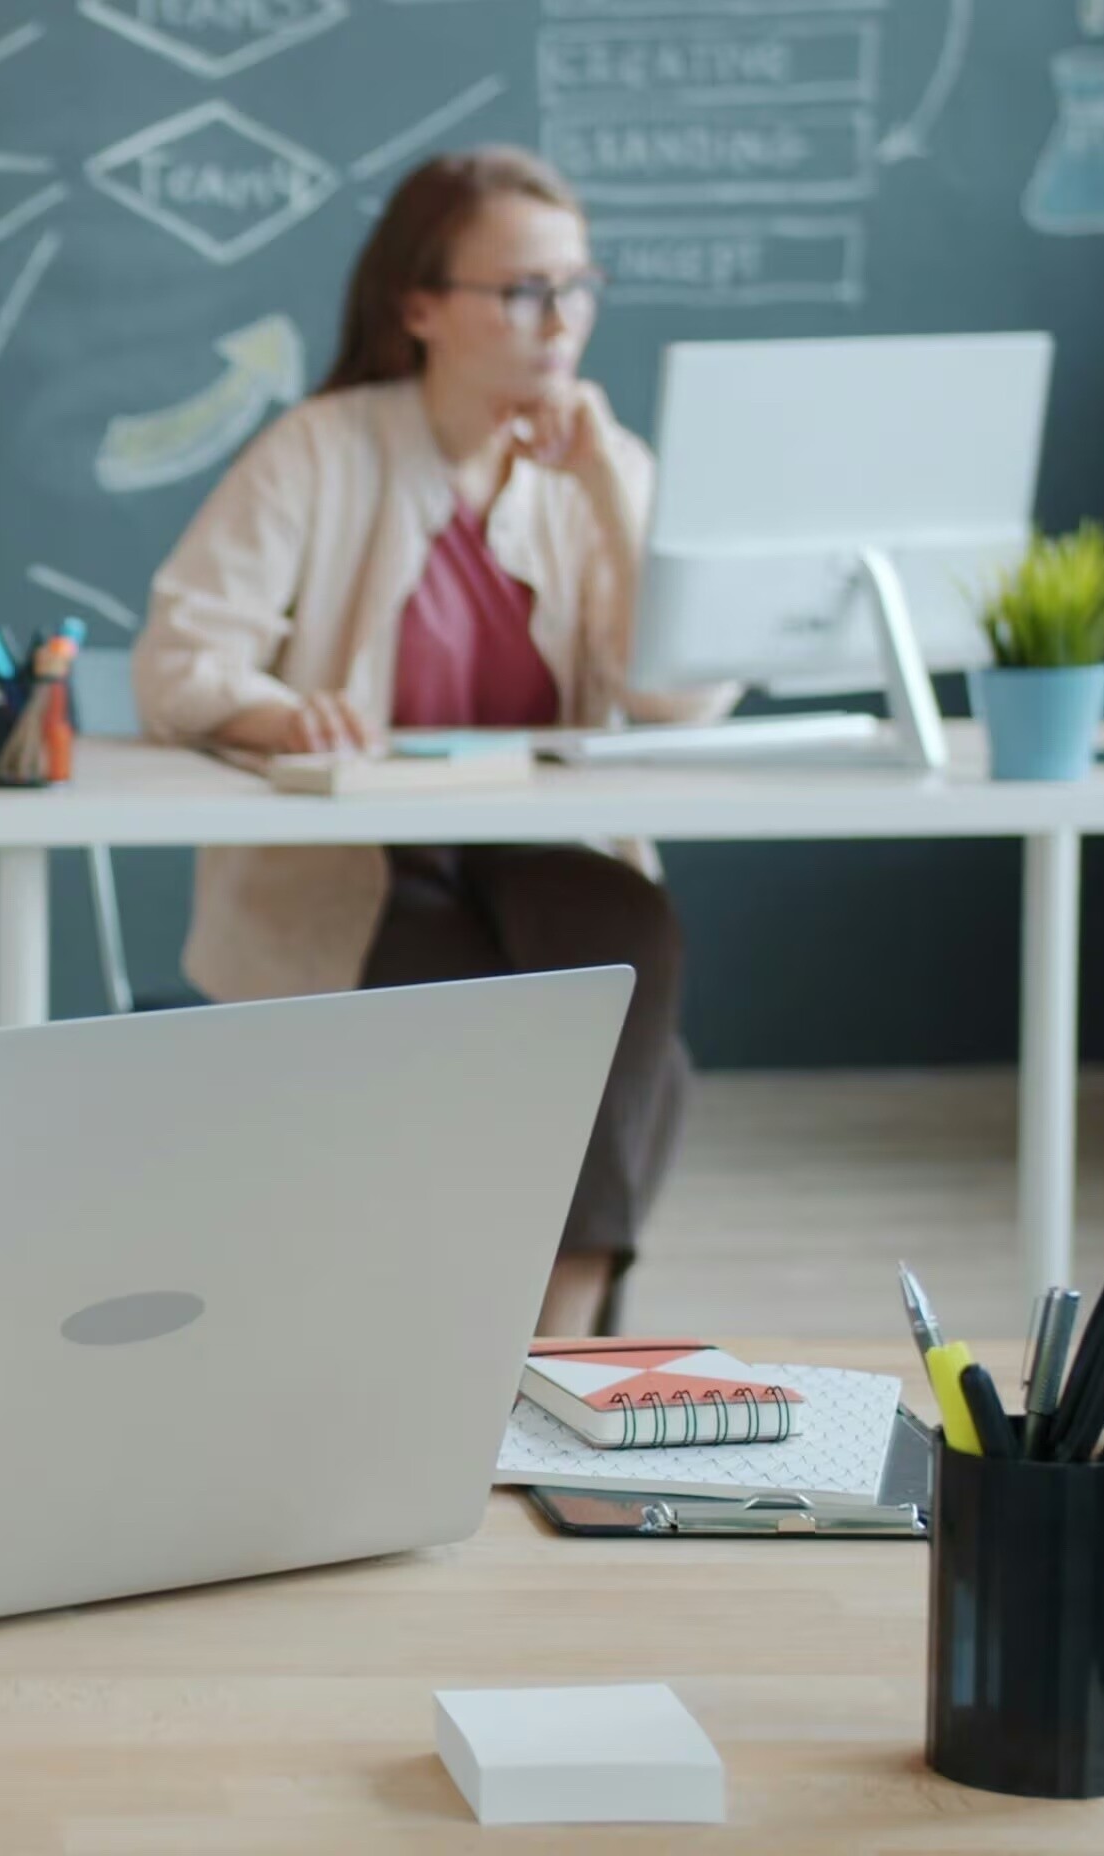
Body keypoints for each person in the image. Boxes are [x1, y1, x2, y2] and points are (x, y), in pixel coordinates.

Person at [130, 148, 736, 1335]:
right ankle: (499, 1340)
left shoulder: (602, 461)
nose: (559, 320)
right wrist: (281, 712)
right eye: (522, 290)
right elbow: (180, 663)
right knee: (578, 1057)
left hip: (537, 849)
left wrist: (610, 494)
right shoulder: (322, 447)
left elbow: (685, 699)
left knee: (630, 932)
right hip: (365, 866)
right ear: (421, 307)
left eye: (577, 285)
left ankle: (549, 1324)